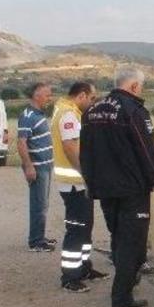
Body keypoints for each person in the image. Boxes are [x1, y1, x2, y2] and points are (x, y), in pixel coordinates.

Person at [80, 67, 154, 307]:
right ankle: (121, 298)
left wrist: (91, 184)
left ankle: (127, 282)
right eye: (141, 86)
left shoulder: (92, 111)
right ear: (133, 86)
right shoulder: (133, 110)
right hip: (131, 188)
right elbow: (147, 151)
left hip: (105, 189)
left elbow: (85, 152)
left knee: (119, 235)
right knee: (133, 242)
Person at [51, 81, 107, 293]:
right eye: (92, 98)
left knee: (85, 227)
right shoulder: (69, 115)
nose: (93, 103)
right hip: (75, 183)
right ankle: (70, 276)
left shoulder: (64, 108)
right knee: (76, 229)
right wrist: (85, 172)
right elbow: (70, 146)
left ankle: (84, 267)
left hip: (76, 183)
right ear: (82, 95)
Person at [17, 82, 56, 252]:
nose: (49, 98)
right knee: (38, 204)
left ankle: (39, 236)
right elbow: (21, 143)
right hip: (38, 166)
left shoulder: (38, 114)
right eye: (47, 95)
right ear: (36, 95)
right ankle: (36, 242)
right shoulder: (27, 116)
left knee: (43, 204)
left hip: (45, 165)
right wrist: (29, 166)